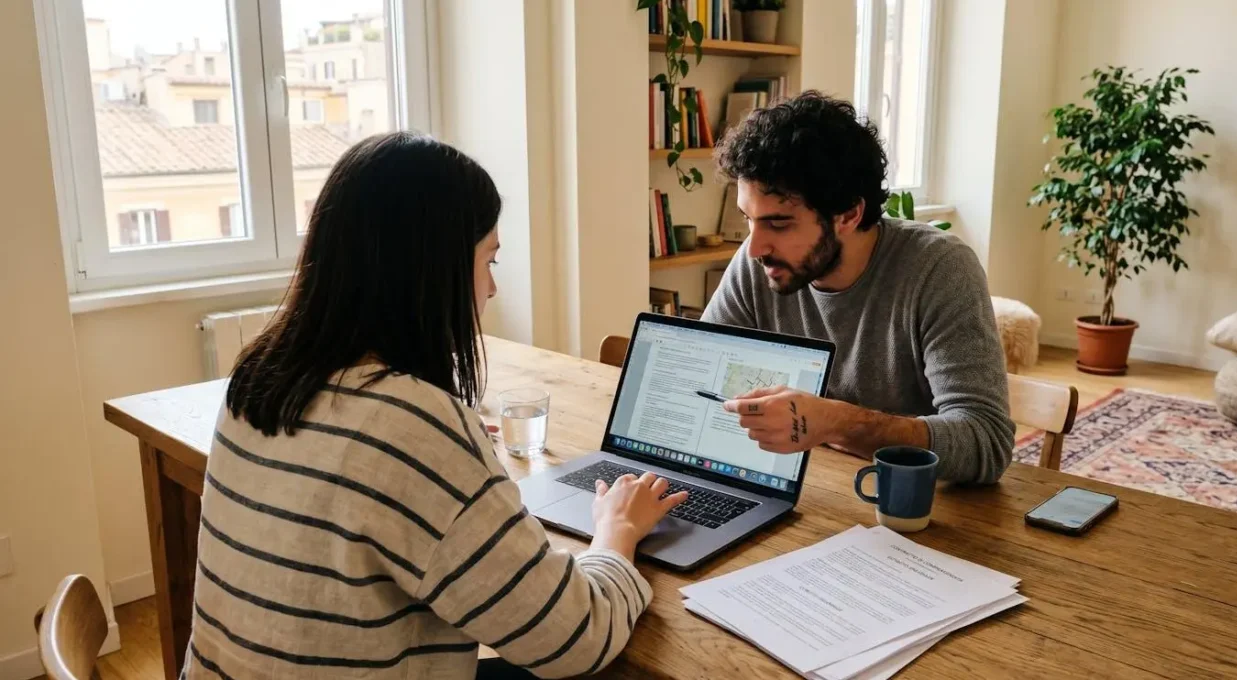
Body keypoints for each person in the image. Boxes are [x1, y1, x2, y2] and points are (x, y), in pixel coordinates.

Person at [184, 132, 688, 680]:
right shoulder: (409, 423)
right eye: (488, 260)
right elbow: (574, 637)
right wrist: (616, 531)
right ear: (432, 270)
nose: (492, 288)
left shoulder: (258, 377)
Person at [703, 91, 1015, 484]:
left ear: (849, 214)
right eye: (749, 218)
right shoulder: (759, 262)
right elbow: (701, 376)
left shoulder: (938, 269)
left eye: (779, 224)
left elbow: (985, 441)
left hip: (910, 514)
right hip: (812, 494)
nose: (755, 247)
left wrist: (835, 421)